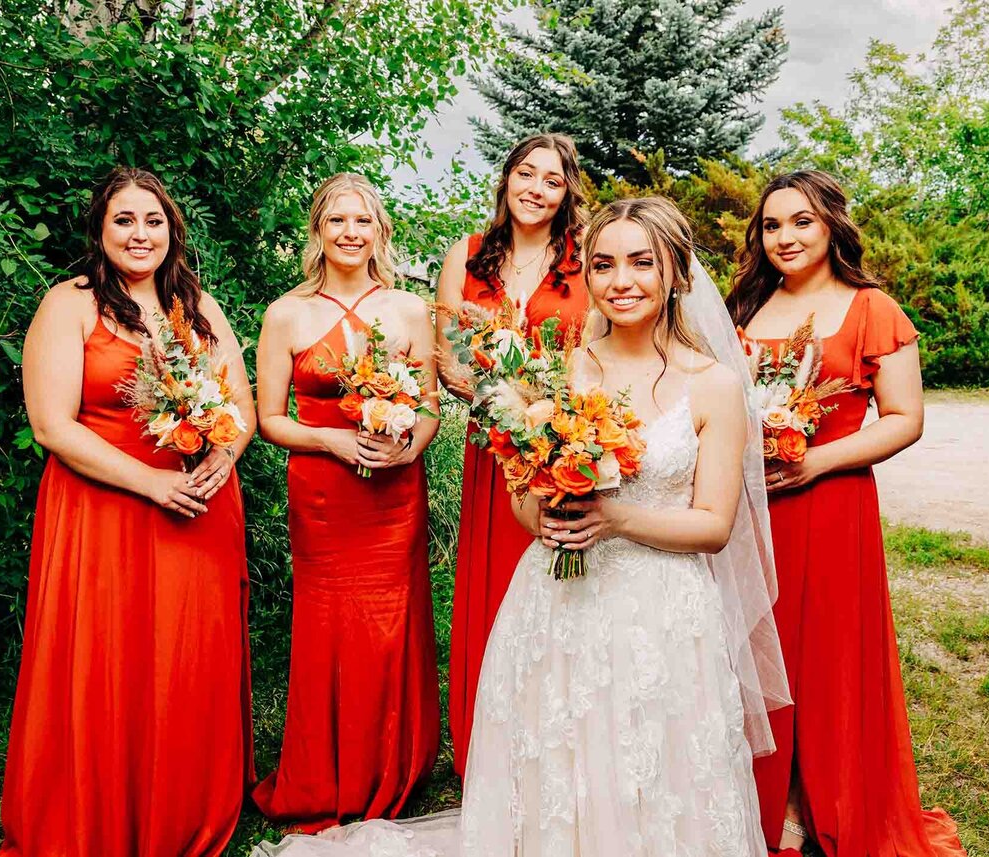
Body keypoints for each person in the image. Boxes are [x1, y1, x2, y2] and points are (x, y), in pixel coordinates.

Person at [252, 196, 789, 857]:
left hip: (661, 608)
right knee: (564, 748)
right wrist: (549, 506)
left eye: (641, 263)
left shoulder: (713, 385)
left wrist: (612, 515)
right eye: (603, 264)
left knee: (651, 754)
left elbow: (712, 524)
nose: (622, 280)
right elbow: (522, 503)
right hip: (559, 595)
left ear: (677, 273)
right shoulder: (565, 369)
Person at [0, 167, 255, 857]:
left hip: (199, 508)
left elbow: (243, 407)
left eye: (153, 221)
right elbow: (53, 425)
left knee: (184, 658)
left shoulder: (199, 305)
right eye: (124, 220)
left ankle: (182, 807)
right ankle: (101, 809)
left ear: (172, 230)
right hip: (104, 509)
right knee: (107, 659)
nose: (140, 234)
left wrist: (223, 458)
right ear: (100, 229)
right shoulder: (71, 304)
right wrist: (149, 482)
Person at [729, 170, 966, 856]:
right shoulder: (744, 308)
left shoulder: (872, 308)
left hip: (833, 504)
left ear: (831, 222)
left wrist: (817, 463)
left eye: (801, 221)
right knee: (761, 650)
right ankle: (766, 795)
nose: (785, 237)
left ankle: (815, 799)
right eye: (772, 225)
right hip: (752, 514)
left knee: (828, 658)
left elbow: (905, 418)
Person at [252, 173, 440, 833]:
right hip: (323, 495)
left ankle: (393, 764)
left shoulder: (410, 310)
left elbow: (432, 408)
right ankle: (323, 770)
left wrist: (411, 447)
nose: (351, 232)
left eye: (363, 220)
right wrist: (330, 438)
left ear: (380, 230)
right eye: (337, 221)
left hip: (392, 495)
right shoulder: (286, 313)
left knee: (389, 625)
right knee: (329, 625)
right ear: (318, 231)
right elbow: (269, 418)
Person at [436, 132, 589, 776]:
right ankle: (496, 744)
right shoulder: (466, 254)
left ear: (567, 193)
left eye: (551, 181)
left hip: (562, 447)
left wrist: (551, 416)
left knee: (567, 584)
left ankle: (564, 741)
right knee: (498, 590)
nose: (535, 189)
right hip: (491, 450)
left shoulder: (586, 265)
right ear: (506, 180)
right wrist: (500, 399)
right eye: (526, 174)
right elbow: (446, 355)